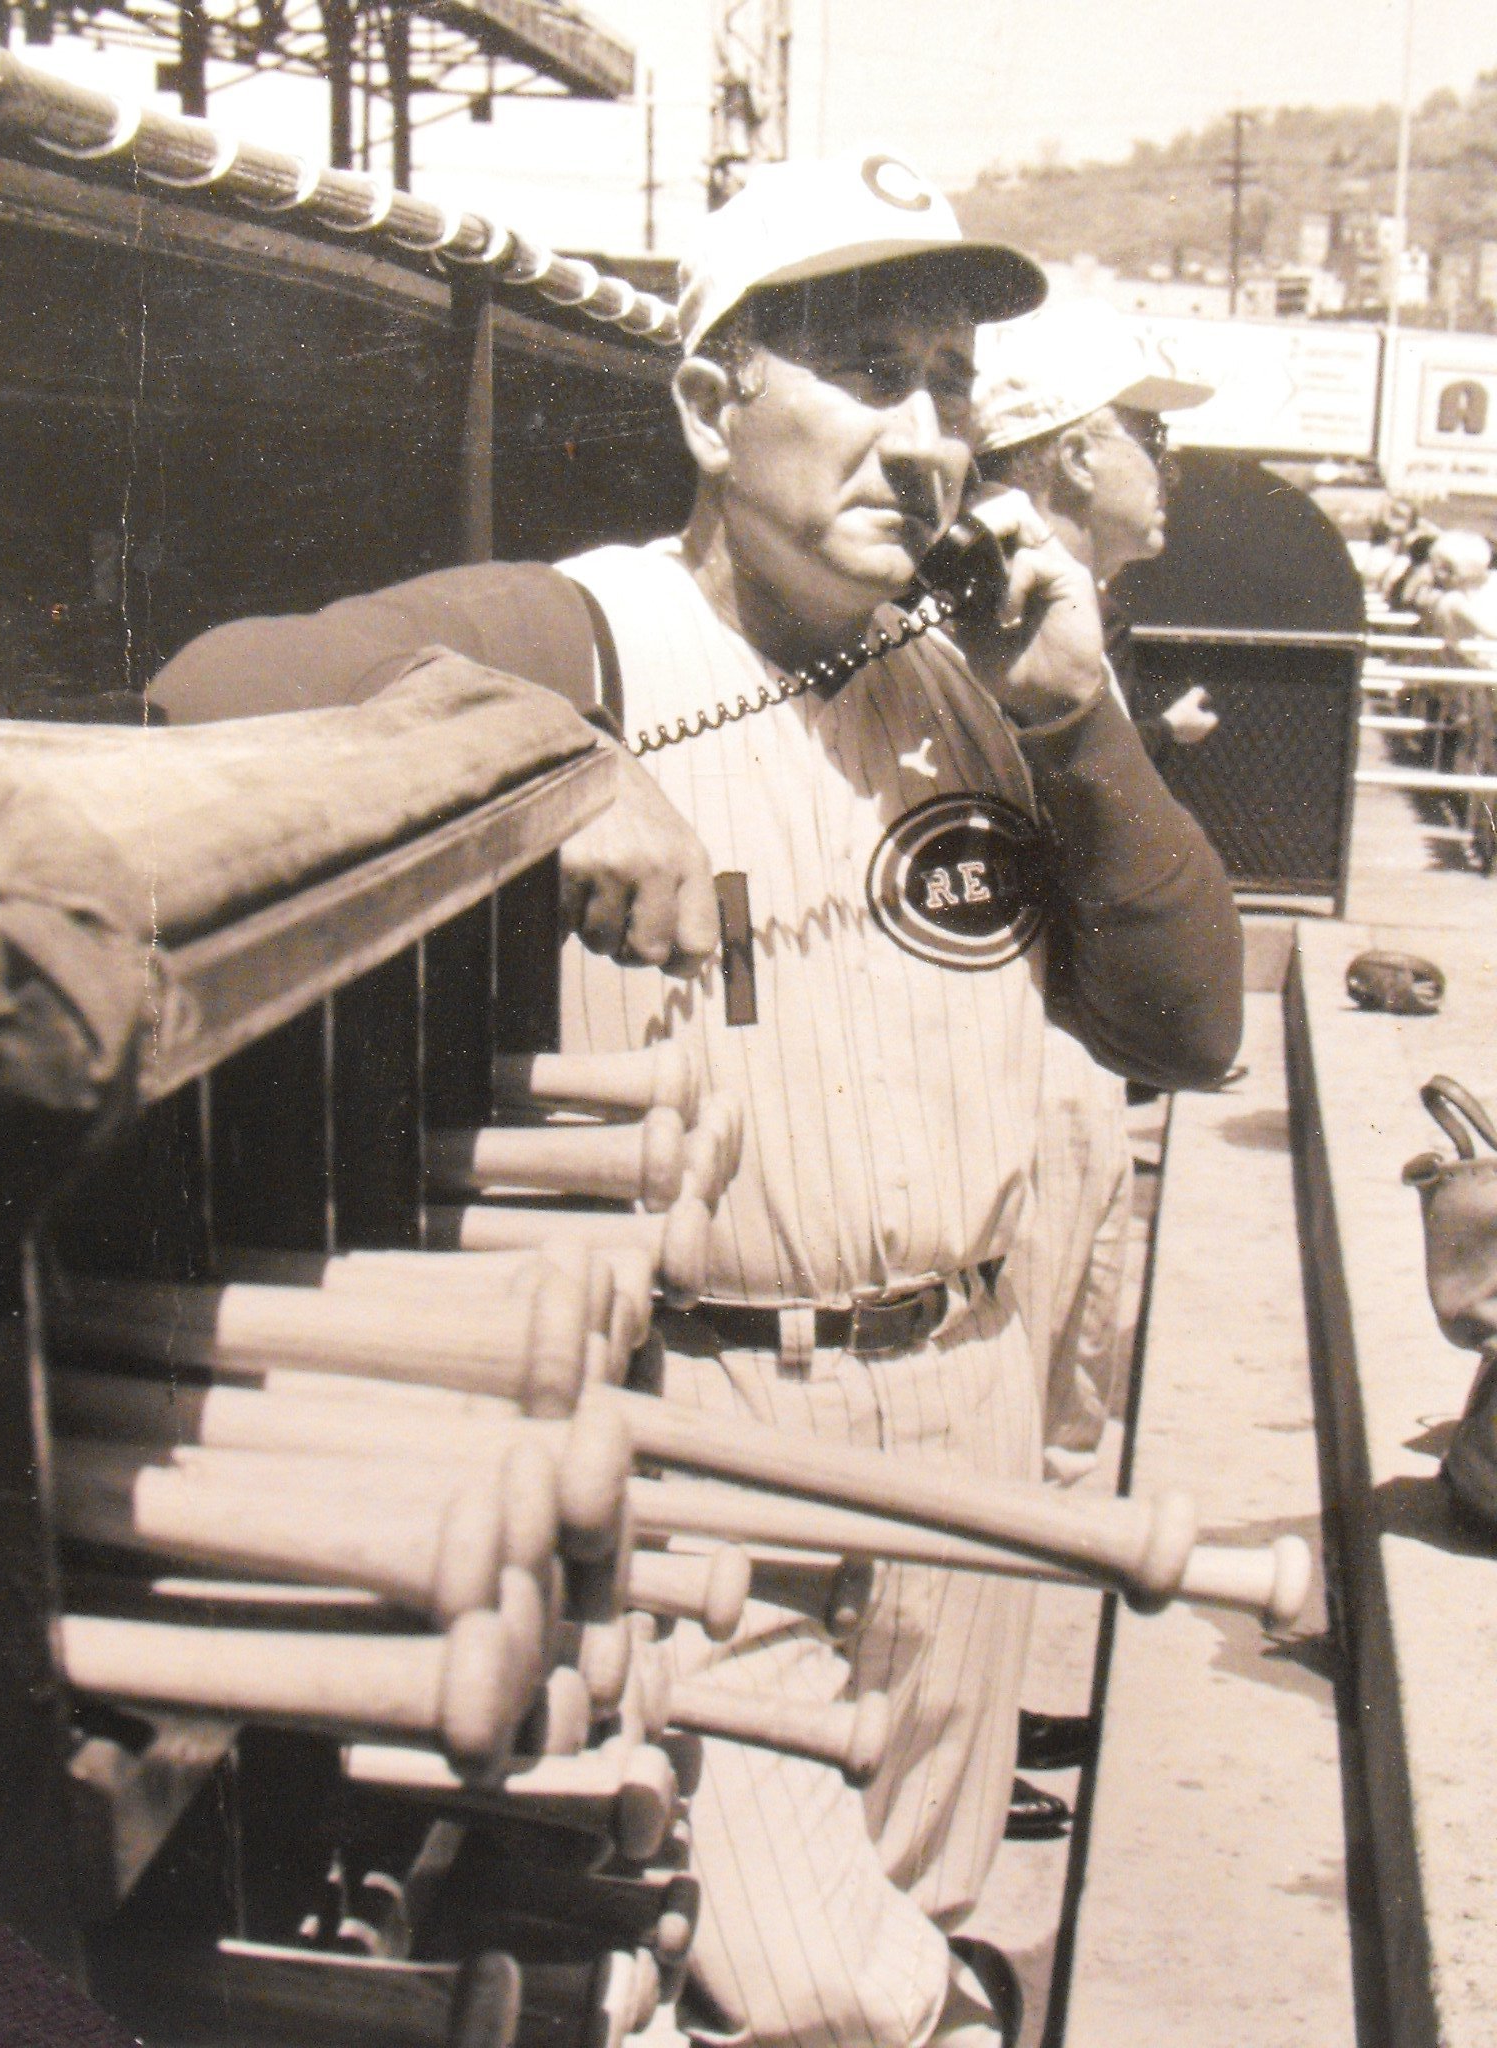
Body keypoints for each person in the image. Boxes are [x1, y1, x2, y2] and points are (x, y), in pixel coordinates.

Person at [153, 154, 1243, 2048]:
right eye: (867, 370)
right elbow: (214, 687)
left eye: (951, 382)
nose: (926, 435)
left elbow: (1190, 1023)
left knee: (926, 1902)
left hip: (965, 1402)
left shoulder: (977, 676)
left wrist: (1078, 715)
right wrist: (554, 761)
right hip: (699, 1431)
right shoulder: (579, 630)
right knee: (835, 1994)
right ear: (708, 406)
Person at [971, 297, 1218, 1489]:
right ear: (1074, 454)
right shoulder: (1000, 606)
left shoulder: (1067, 600)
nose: (1167, 467)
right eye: (1149, 437)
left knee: (1059, 1424)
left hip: (1072, 1059)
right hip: (1011, 1062)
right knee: (1010, 1435)